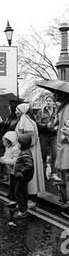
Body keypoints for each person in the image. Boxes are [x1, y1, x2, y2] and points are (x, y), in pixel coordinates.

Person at [15, 103, 45, 207]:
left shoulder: (26, 122)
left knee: (30, 175)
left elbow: (29, 140)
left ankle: (32, 199)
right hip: (28, 151)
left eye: (17, 110)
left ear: (22, 111)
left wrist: (20, 145)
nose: (15, 112)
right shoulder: (25, 121)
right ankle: (27, 198)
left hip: (29, 151)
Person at [35, 94, 59, 181]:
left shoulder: (57, 112)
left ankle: (54, 173)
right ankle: (43, 174)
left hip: (53, 136)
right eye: (47, 101)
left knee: (55, 154)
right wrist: (45, 126)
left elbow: (60, 122)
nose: (48, 102)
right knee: (43, 154)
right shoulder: (40, 112)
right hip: (44, 136)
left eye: (50, 101)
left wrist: (57, 127)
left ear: (53, 103)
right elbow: (37, 123)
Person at [54, 90, 69, 218]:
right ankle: (65, 202)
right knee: (63, 176)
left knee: (67, 176)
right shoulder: (62, 107)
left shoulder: (67, 108)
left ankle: (67, 204)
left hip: (66, 147)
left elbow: (67, 128)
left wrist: (64, 132)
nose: (55, 95)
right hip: (62, 147)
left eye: (57, 93)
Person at [13, 134, 34, 218]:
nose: (18, 144)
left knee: (18, 192)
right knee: (22, 192)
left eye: (19, 143)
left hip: (23, 177)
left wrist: (21, 172)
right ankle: (22, 206)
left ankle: (22, 211)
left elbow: (29, 165)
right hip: (23, 177)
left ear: (23, 144)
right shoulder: (25, 151)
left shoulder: (25, 153)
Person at [0, 131, 20, 207]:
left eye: (4, 142)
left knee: (16, 186)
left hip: (16, 171)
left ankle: (15, 201)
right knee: (11, 185)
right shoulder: (8, 147)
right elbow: (6, 155)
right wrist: (2, 158)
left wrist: (4, 161)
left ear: (10, 141)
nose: (3, 143)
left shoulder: (16, 149)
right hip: (11, 170)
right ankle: (12, 198)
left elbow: (15, 161)